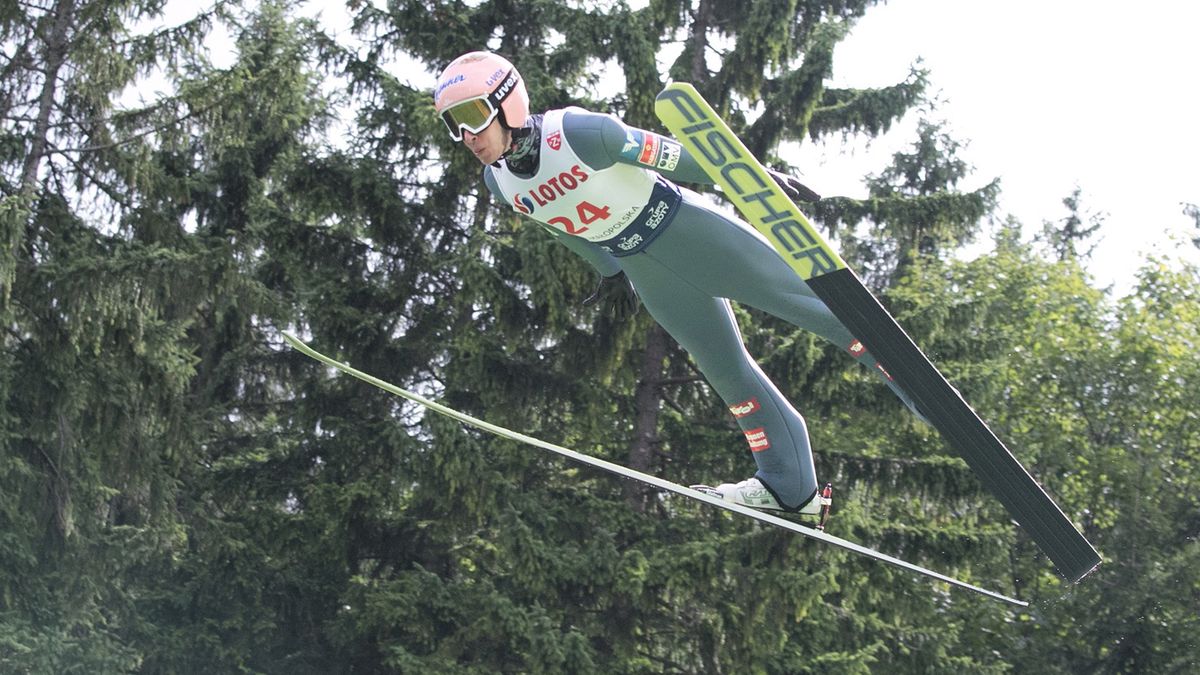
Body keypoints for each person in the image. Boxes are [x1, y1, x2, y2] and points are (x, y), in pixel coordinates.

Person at [433, 51, 922, 515]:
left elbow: (674, 157)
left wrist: (754, 177)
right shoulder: (500, 183)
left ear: (508, 102)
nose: (467, 135)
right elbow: (559, 224)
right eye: (454, 124)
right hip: (647, 270)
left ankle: (920, 392)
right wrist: (609, 270)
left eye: (473, 115)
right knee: (726, 371)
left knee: (816, 310)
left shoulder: (579, 132)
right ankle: (788, 484)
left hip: (689, 231)